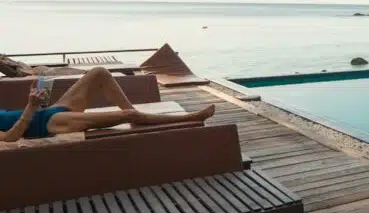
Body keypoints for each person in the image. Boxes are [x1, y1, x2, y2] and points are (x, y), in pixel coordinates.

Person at [0, 67, 214, 142]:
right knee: (128, 116)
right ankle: (191, 118)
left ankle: (134, 112)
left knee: (99, 73)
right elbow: (10, 137)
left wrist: (37, 101)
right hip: (53, 123)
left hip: (51, 111)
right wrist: (31, 107)